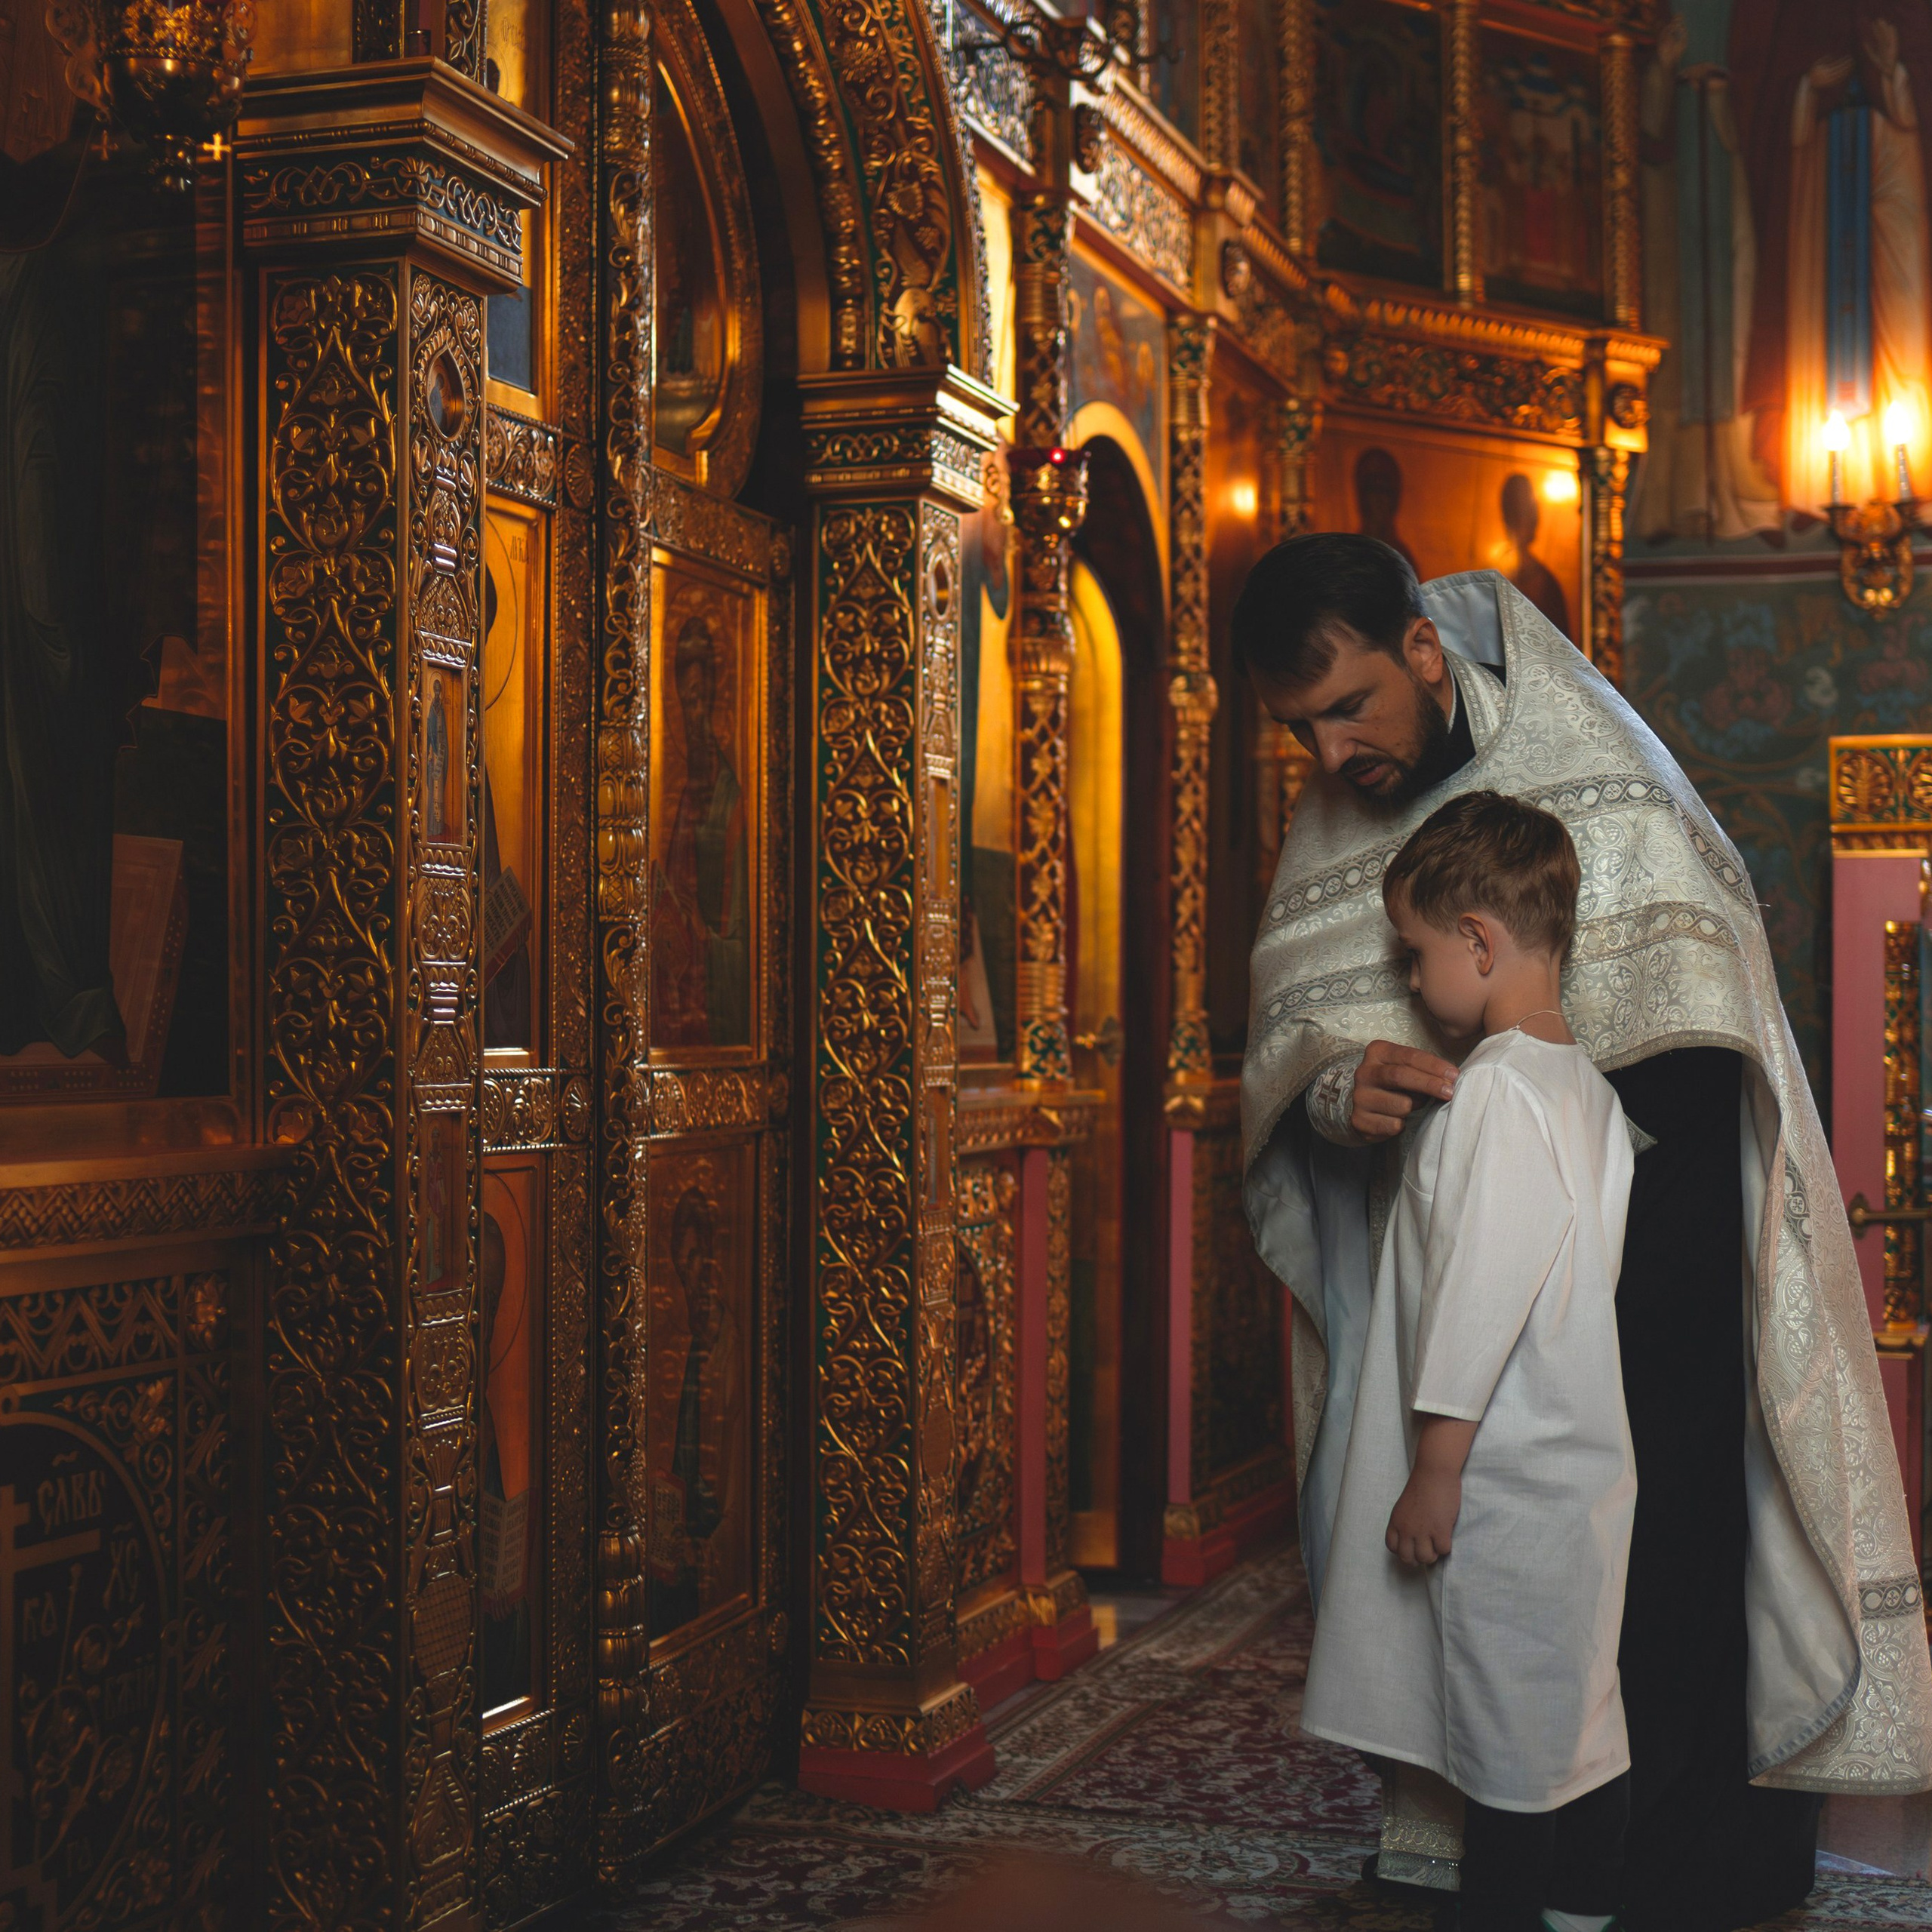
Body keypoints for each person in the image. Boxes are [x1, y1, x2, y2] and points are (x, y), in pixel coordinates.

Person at [1237, 533, 1932, 1932]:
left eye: (1352, 706)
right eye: (1301, 727)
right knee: (1477, 1574)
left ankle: (1670, 1864)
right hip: (1442, 1248)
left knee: (1658, 1545)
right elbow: (1293, 1033)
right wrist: (1332, 1086)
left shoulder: (1598, 768)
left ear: (1422, 652)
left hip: (1651, 1245)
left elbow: (1701, 997)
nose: (1331, 753)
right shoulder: (1334, 824)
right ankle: (1505, 1851)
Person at [1301, 791, 1637, 1932]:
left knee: (1502, 1740)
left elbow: (1480, 1296)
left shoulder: (1495, 1092)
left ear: (1481, 945)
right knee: (1573, 1716)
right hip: (1577, 1465)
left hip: (1498, 1475)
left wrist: (1436, 1465)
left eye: (1415, 953)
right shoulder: (1585, 1088)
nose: (1406, 980)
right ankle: (1589, 1911)